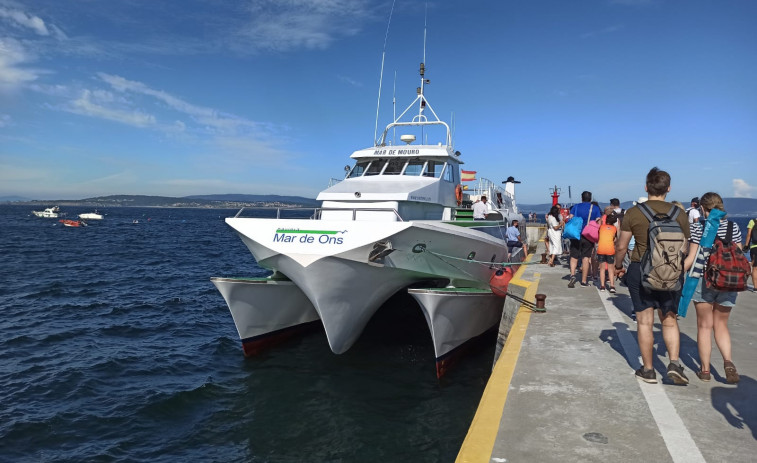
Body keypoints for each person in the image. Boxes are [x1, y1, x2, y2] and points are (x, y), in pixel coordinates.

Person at [614, 167, 690, 384]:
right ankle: (674, 363)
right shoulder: (680, 214)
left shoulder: (634, 213)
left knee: (645, 322)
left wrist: (619, 266)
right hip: (671, 272)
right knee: (669, 319)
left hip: (640, 269)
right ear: (668, 188)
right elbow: (684, 246)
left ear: (646, 187)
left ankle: (648, 370)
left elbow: (621, 246)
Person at [683, 192, 742, 383]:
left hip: (703, 280)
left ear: (702, 208)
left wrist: (675, 276)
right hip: (728, 281)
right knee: (721, 325)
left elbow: (691, 259)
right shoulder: (734, 227)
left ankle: (706, 370)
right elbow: (739, 256)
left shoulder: (698, 228)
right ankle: (728, 362)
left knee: (704, 326)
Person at [567, 191, 601, 288]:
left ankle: (572, 275)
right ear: (590, 199)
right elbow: (599, 221)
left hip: (576, 234)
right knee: (586, 258)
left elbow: (570, 218)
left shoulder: (575, 207)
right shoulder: (594, 208)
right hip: (588, 235)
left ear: (581, 198)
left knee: (574, 256)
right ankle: (584, 281)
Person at [597, 213, 618, 292]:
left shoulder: (601, 227)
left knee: (602, 269)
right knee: (610, 268)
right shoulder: (614, 228)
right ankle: (612, 286)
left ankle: (602, 286)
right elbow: (615, 239)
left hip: (601, 249)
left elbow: (599, 237)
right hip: (610, 249)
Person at [745, 217, 757, 290]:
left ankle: (756, 287)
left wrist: (746, 245)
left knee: (755, 267)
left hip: (754, 247)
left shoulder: (752, 221)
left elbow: (749, 235)